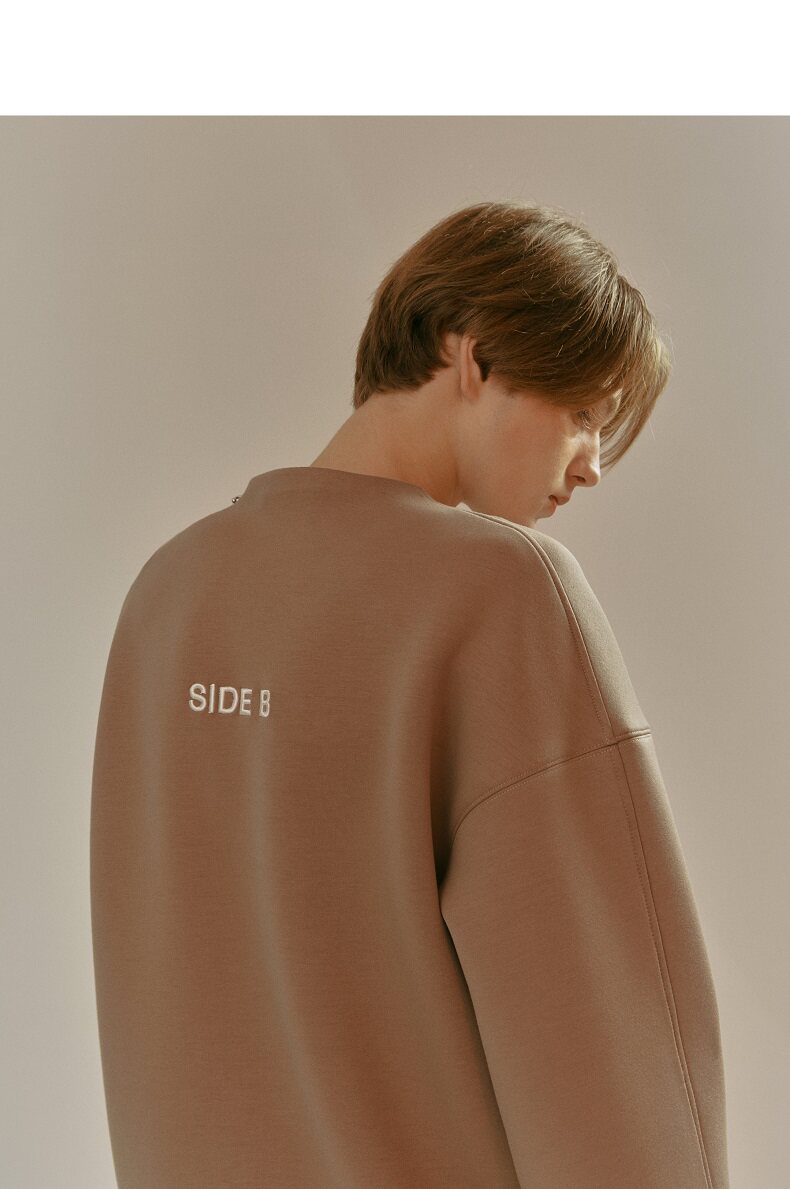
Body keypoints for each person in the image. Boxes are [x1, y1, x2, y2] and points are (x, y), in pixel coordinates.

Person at [90, 200, 730, 1187]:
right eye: (584, 413)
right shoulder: (502, 594)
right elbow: (612, 1041)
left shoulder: (169, 591)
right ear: (475, 358)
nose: (594, 464)